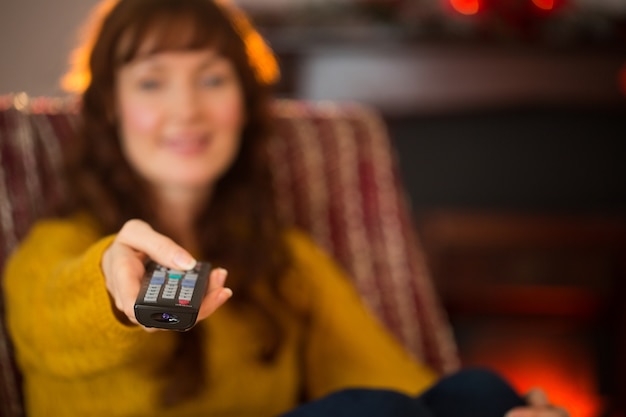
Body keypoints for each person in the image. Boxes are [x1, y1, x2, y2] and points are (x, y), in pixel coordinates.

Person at [2, 0, 569, 416]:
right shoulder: (54, 251)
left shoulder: (283, 260)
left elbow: (406, 386)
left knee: (479, 395)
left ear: (244, 108)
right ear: (109, 111)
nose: (187, 108)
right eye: (152, 83)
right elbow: (58, 321)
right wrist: (114, 291)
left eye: (213, 79)